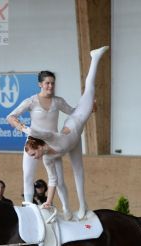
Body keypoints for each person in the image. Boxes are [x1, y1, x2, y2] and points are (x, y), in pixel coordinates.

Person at [24, 46, 109, 219]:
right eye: (32, 156)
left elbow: (35, 130)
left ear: (39, 146)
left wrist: (23, 128)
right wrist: (48, 201)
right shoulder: (47, 158)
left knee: (89, 90)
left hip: (76, 121)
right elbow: (53, 181)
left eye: (34, 154)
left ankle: (95, 58)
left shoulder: (49, 136)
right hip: (74, 143)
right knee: (77, 170)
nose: (34, 158)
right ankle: (76, 207)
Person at [7, 70, 74, 220]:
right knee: (28, 176)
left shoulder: (58, 101)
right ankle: (28, 210)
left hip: (53, 144)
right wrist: (23, 128)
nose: (50, 86)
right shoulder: (31, 101)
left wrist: (90, 108)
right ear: (40, 84)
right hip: (34, 144)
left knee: (59, 179)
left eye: (52, 83)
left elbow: (74, 112)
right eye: (47, 83)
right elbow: (10, 117)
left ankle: (66, 209)